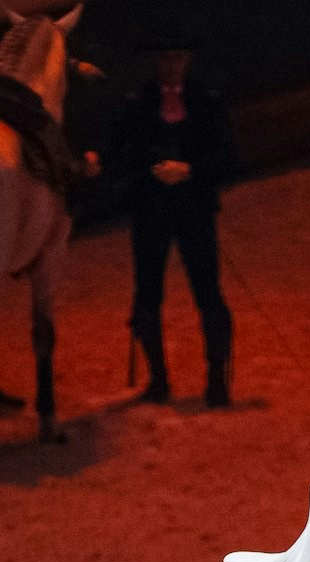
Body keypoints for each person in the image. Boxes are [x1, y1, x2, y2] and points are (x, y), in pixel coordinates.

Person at [101, 33, 238, 406]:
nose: (172, 65)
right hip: (151, 209)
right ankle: (158, 380)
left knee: (208, 291)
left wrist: (191, 169)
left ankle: (216, 381)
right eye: (165, 58)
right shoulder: (135, 105)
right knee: (147, 293)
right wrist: (150, 172)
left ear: (187, 60)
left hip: (194, 208)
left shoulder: (207, 101)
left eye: (178, 57)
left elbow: (226, 155)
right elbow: (118, 156)